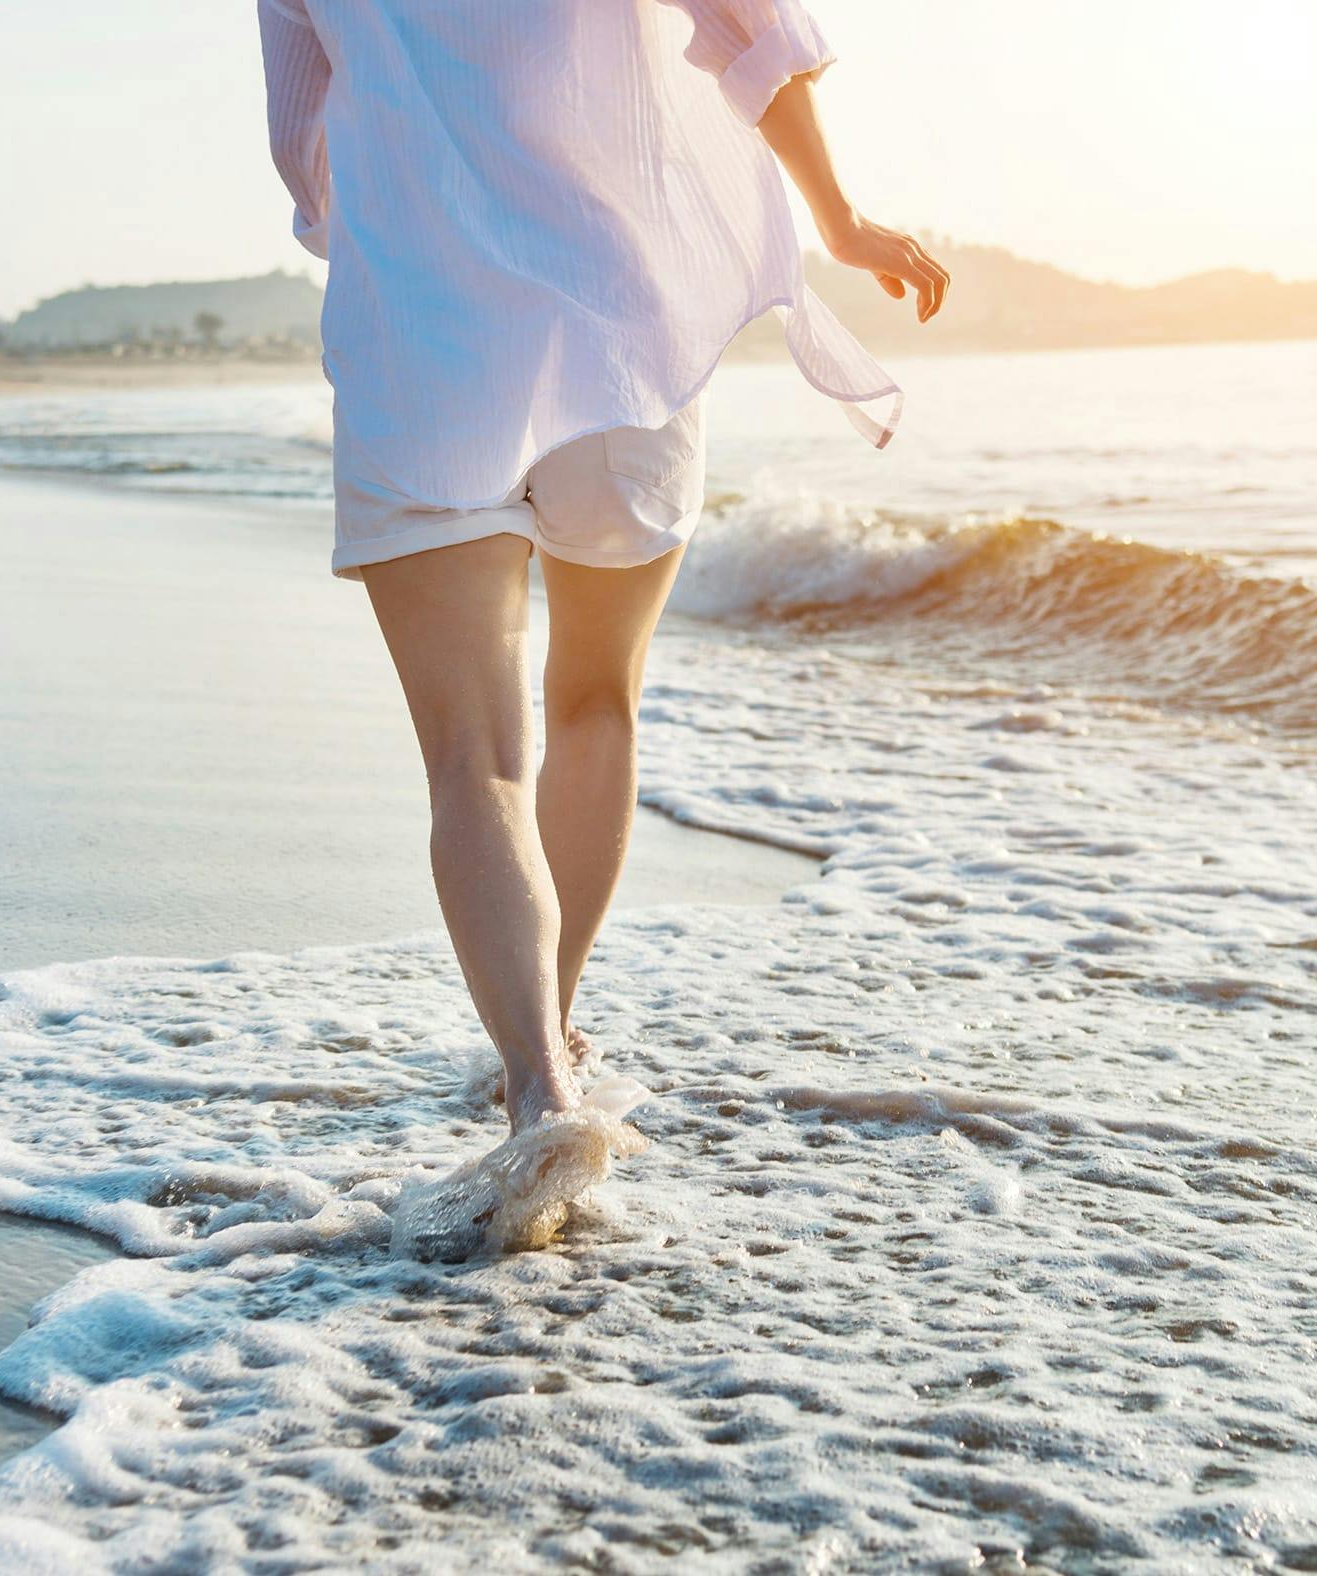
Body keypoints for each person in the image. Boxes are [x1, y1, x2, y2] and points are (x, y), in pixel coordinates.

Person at [258, 0, 948, 1232]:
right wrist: (835, 221)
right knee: (593, 701)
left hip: (423, 339)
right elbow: (755, 31)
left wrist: (414, 206)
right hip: (615, 323)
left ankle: (535, 1086)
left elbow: (303, 141)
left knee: (472, 760)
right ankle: (558, 1022)